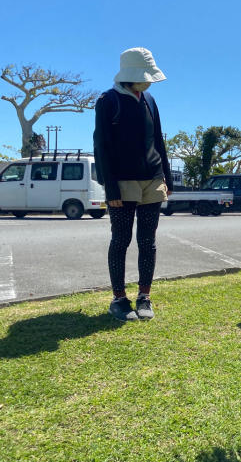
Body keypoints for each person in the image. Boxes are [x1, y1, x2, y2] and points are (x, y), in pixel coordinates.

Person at [93, 47, 173, 322]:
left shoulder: (149, 100)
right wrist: (110, 187)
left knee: (148, 242)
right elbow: (101, 146)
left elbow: (159, 142)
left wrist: (168, 177)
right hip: (122, 183)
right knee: (121, 240)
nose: (150, 81)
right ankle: (118, 299)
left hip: (153, 179)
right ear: (131, 76)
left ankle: (144, 297)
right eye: (146, 76)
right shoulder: (108, 100)